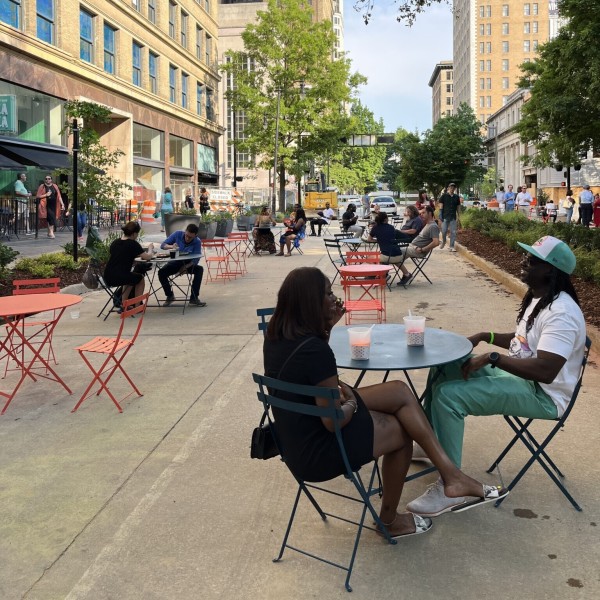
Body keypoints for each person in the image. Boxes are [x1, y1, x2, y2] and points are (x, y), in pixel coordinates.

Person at [263, 267, 507, 537]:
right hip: (319, 450)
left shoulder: (276, 337)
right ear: (309, 301)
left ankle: (451, 477)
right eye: (328, 293)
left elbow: (312, 373)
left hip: (294, 440)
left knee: (400, 391)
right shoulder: (314, 349)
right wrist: (353, 403)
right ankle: (390, 521)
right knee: (402, 432)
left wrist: (328, 328)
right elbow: (333, 422)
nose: (334, 298)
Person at [407, 235, 586, 516]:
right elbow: (522, 343)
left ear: (550, 269)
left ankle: (450, 485)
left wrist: (493, 357)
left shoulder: (561, 312)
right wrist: (485, 336)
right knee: (444, 364)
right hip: (523, 379)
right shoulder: (540, 298)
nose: (523, 262)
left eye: (532, 260)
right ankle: (432, 446)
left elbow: (546, 371)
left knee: (448, 396)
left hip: (543, 395)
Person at [104, 221, 154, 305]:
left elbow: (121, 255)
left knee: (129, 278)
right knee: (140, 278)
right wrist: (150, 249)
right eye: (137, 234)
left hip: (108, 276)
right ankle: (137, 305)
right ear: (134, 234)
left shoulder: (115, 242)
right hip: (120, 276)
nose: (137, 236)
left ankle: (124, 304)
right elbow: (148, 256)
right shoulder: (133, 244)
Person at [159, 224, 206, 307]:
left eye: (190, 237)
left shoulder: (197, 242)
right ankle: (169, 295)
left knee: (199, 269)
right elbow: (163, 245)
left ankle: (194, 297)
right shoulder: (177, 234)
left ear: (195, 236)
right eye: (186, 235)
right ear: (185, 232)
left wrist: (185, 267)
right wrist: (171, 246)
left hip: (188, 264)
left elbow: (196, 259)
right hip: (175, 263)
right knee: (161, 272)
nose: (187, 238)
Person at [395, 205, 440, 286]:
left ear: (430, 213)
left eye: (423, 213)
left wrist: (423, 249)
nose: (421, 215)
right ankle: (386, 273)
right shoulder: (427, 224)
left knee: (392, 253)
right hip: (412, 247)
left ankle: (405, 275)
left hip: (418, 250)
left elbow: (436, 242)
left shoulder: (433, 226)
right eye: (420, 213)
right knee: (392, 254)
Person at [36, 174, 64, 239]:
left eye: (49, 179)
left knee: (51, 218)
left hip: (54, 205)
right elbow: (38, 196)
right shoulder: (42, 186)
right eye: (46, 179)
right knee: (51, 218)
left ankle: (49, 233)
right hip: (46, 205)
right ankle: (51, 233)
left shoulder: (55, 186)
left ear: (51, 180)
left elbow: (59, 196)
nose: (47, 180)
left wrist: (62, 204)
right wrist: (46, 195)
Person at [438, 182, 461, 251]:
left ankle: (451, 246)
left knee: (453, 232)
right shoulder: (444, 196)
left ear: (454, 189)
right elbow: (441, 205)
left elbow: (458, 207)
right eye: (451, 187)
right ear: (448, 188)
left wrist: (459, 216)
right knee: (444, 231)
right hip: (445, 216)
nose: (452, 189)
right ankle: (444, 241)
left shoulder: (456, 197)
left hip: (453, 217)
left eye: (453, 188)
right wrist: (440, 214)